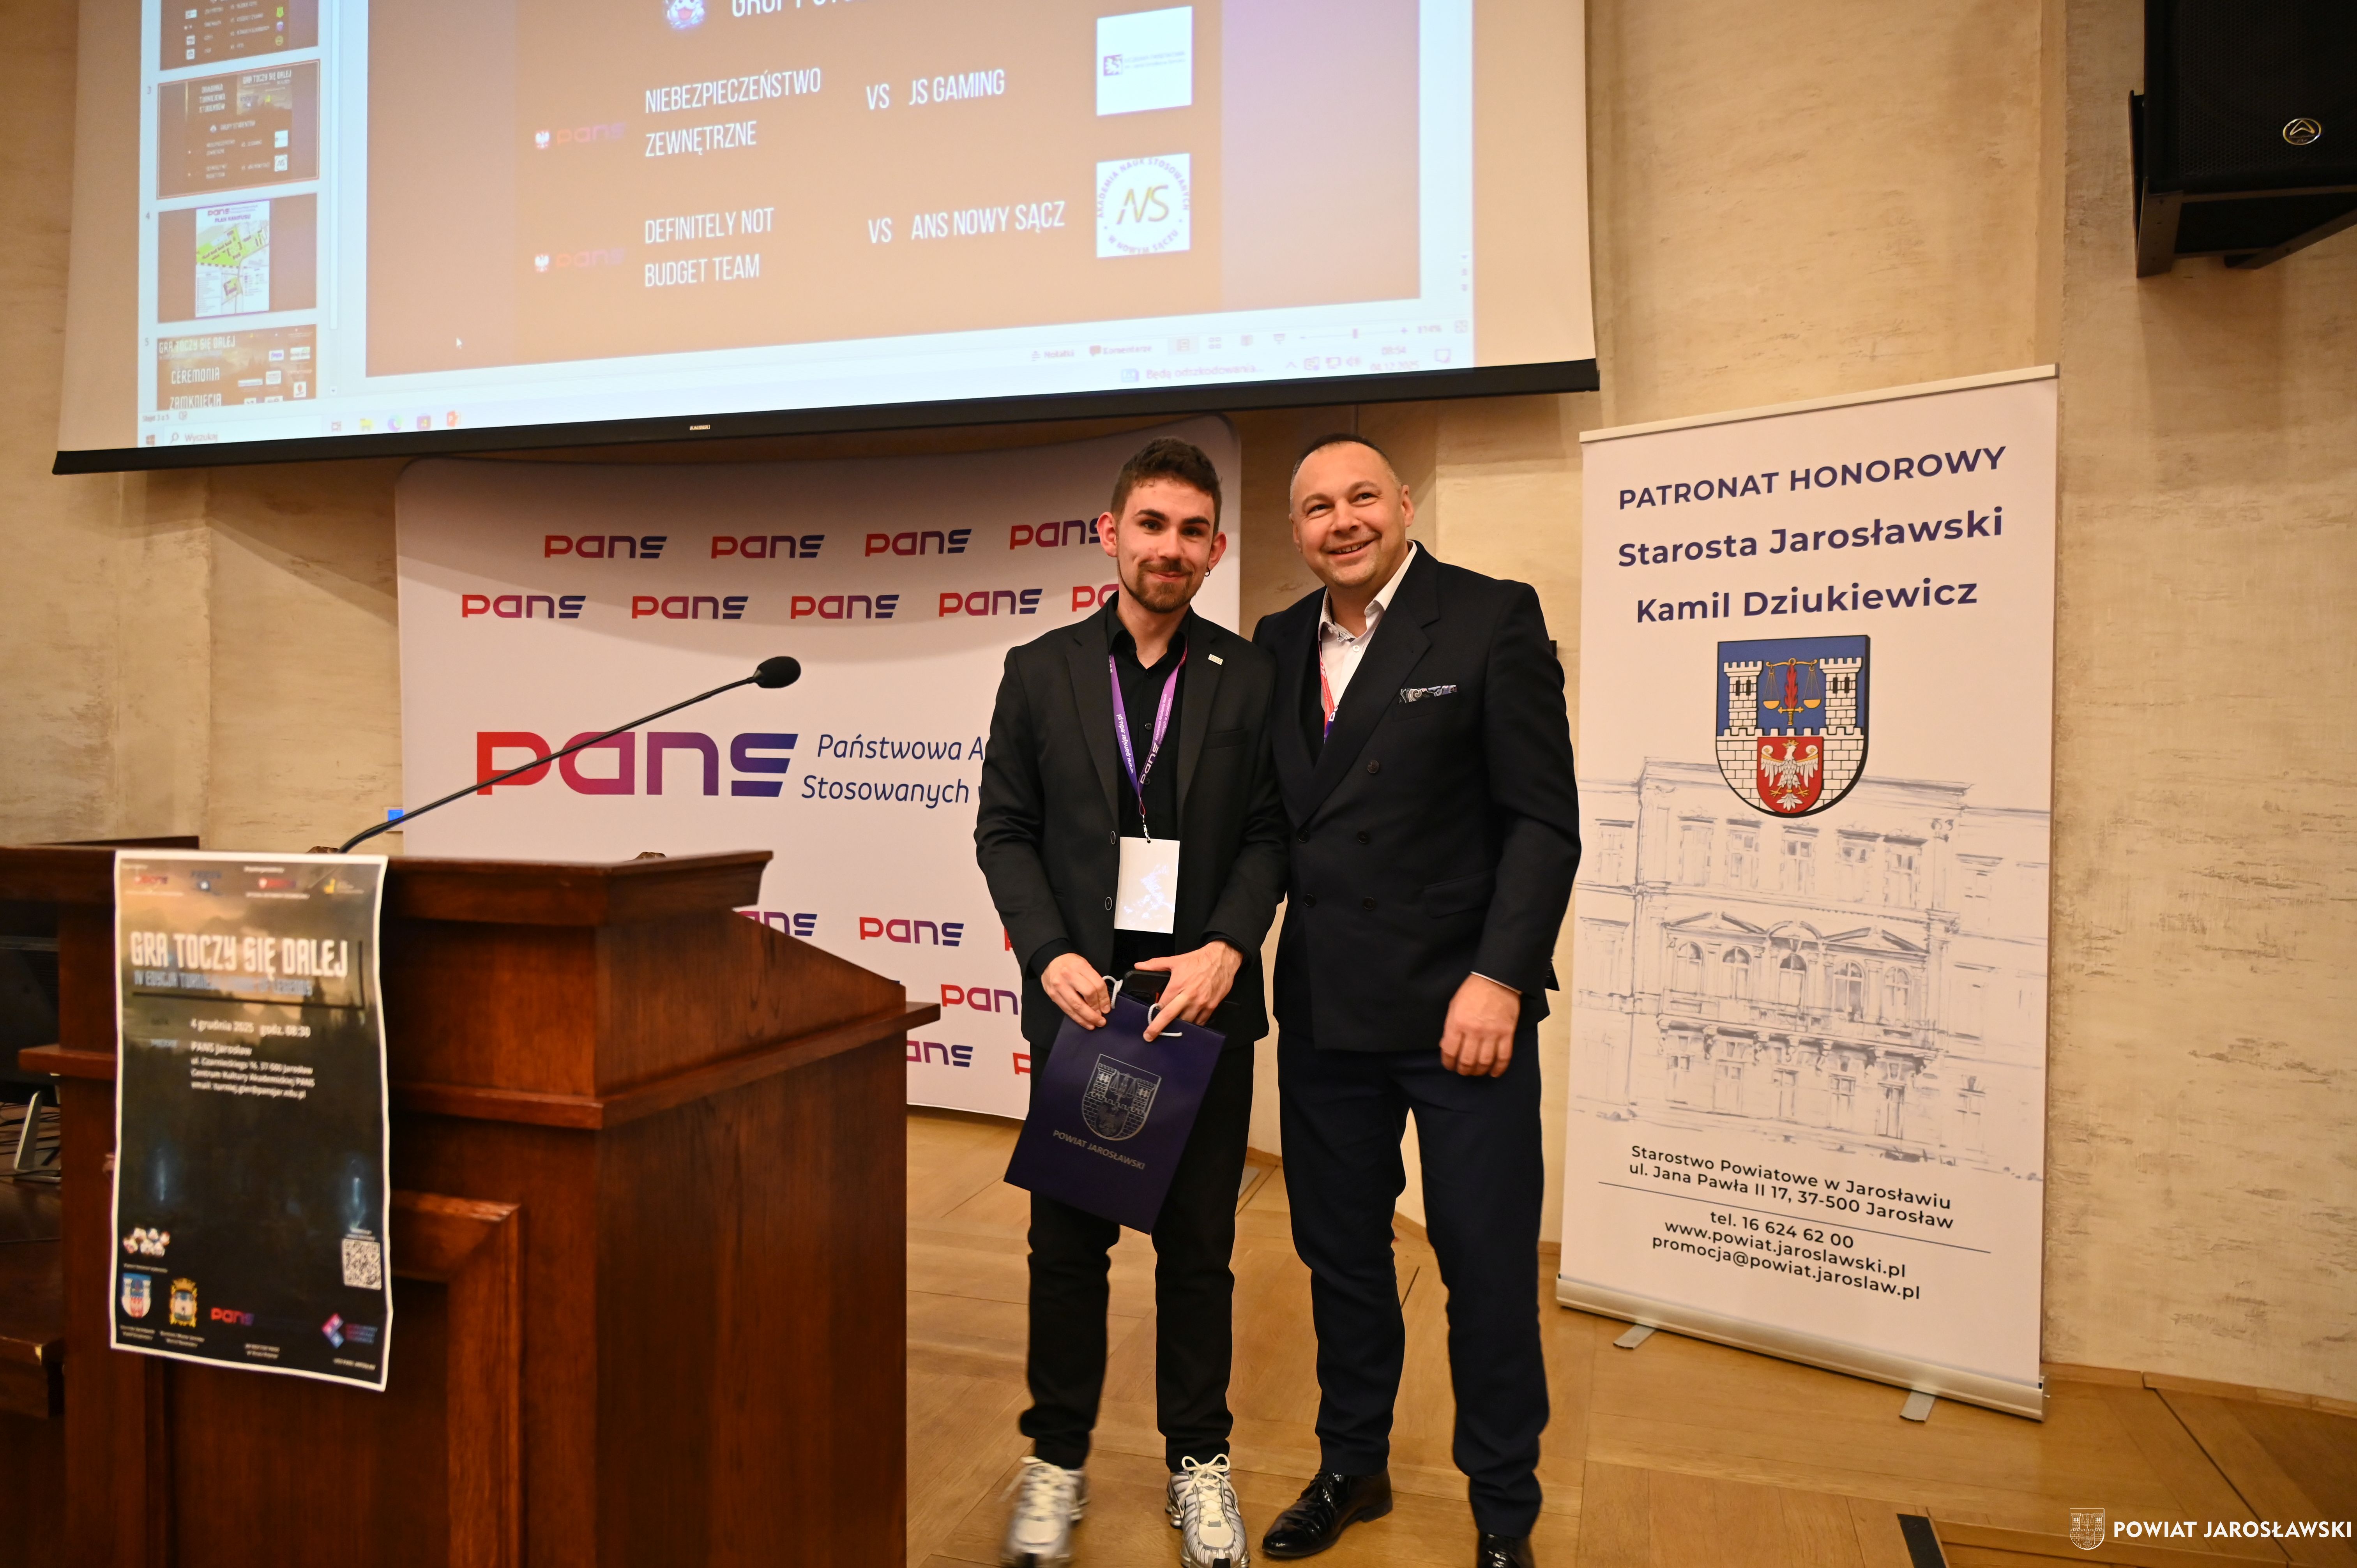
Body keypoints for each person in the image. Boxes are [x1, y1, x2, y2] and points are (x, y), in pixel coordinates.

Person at [1250, 435, 1580, 1568]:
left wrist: (1501, 977)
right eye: (1316, 507)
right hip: (1326, 1011)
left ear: (1403, 503)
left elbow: (1541, 821)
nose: (1342, 521)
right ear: (1297, 531)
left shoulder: (1490, 617)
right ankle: (1354, 1466)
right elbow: (1264, 825)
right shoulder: (1278, 642)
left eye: (1362, 498)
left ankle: (1504, 1512)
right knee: (1341, 1259)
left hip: (1463, 1015)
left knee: (1486, 1270)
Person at [976, 436, 1290, 1568]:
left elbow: (1271, 835)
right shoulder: (1040, 669)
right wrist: (1047, 951)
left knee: (1200, 1252)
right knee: (1066, 1251)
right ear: (1111, 533)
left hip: (1199, 1016)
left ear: (1217, 548)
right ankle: (1056, 1459)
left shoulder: (1249, 675)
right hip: (1085, 1011)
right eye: (1151, 524)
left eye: (1193, 531)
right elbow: (1004, 829)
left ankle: (1198, 1460)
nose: (1171, 548)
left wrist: (1228, 947)